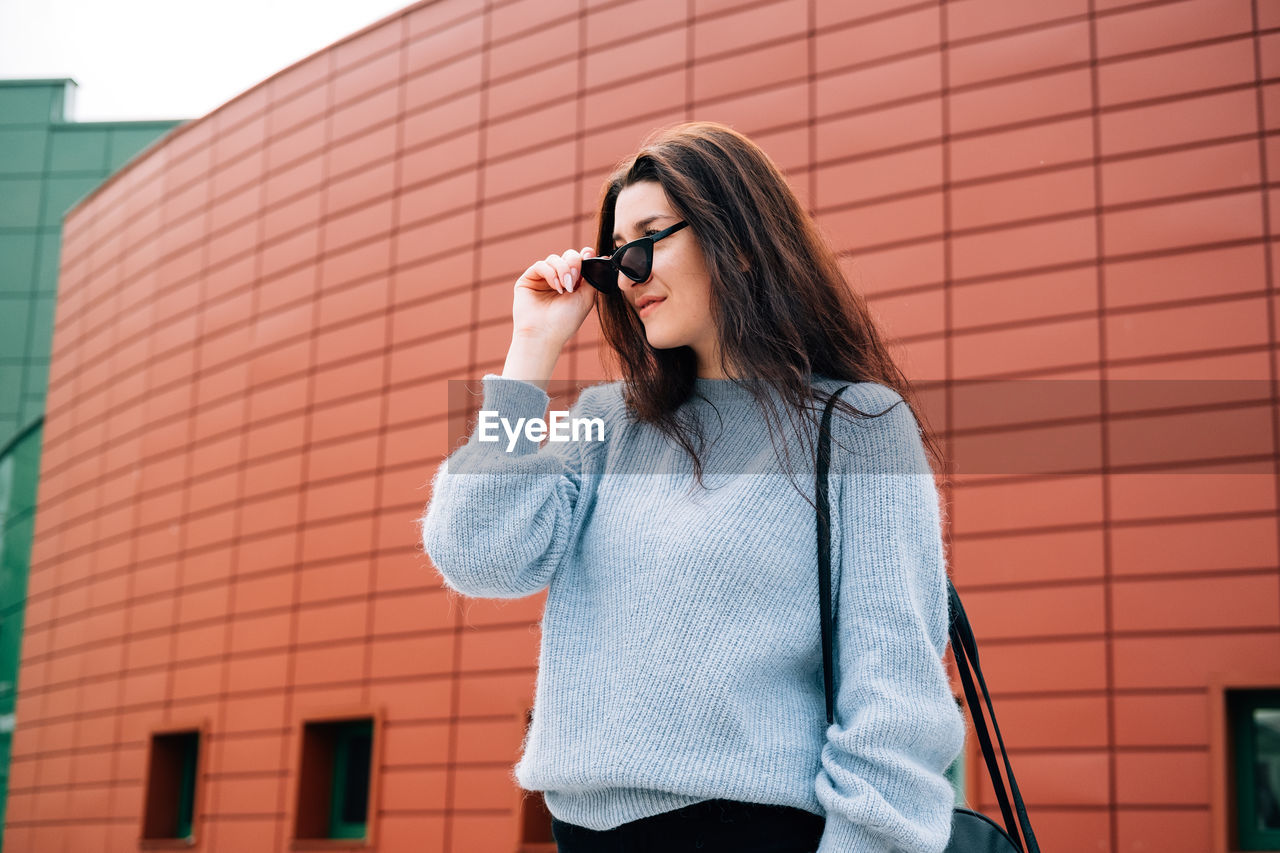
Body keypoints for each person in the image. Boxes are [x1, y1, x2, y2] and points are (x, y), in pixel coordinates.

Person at [418, 121, 965, 853]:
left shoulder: (857, 427)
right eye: (616, 258)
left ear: (736, 240)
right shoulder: (606, 424)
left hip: (752, 832)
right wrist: (531, 351)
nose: (629, 273)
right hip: (584, 833)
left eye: (647, 242)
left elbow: (893, 701)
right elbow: (477, 552)